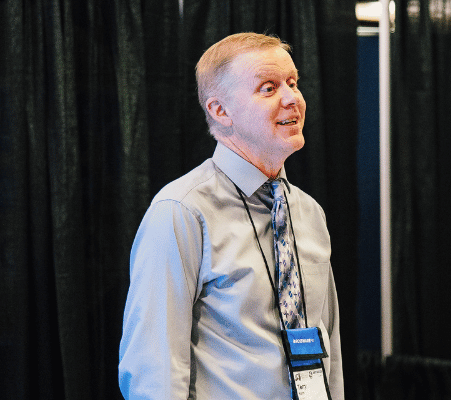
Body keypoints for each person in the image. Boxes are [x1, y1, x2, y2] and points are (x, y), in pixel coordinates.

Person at [119, 33, 344, 400]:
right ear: (220, 111)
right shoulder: (181, 212)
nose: (292, 98)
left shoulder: (309, 213)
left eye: (293, 82)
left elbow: (327, 343)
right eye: (269, 88)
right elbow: (153, 370)